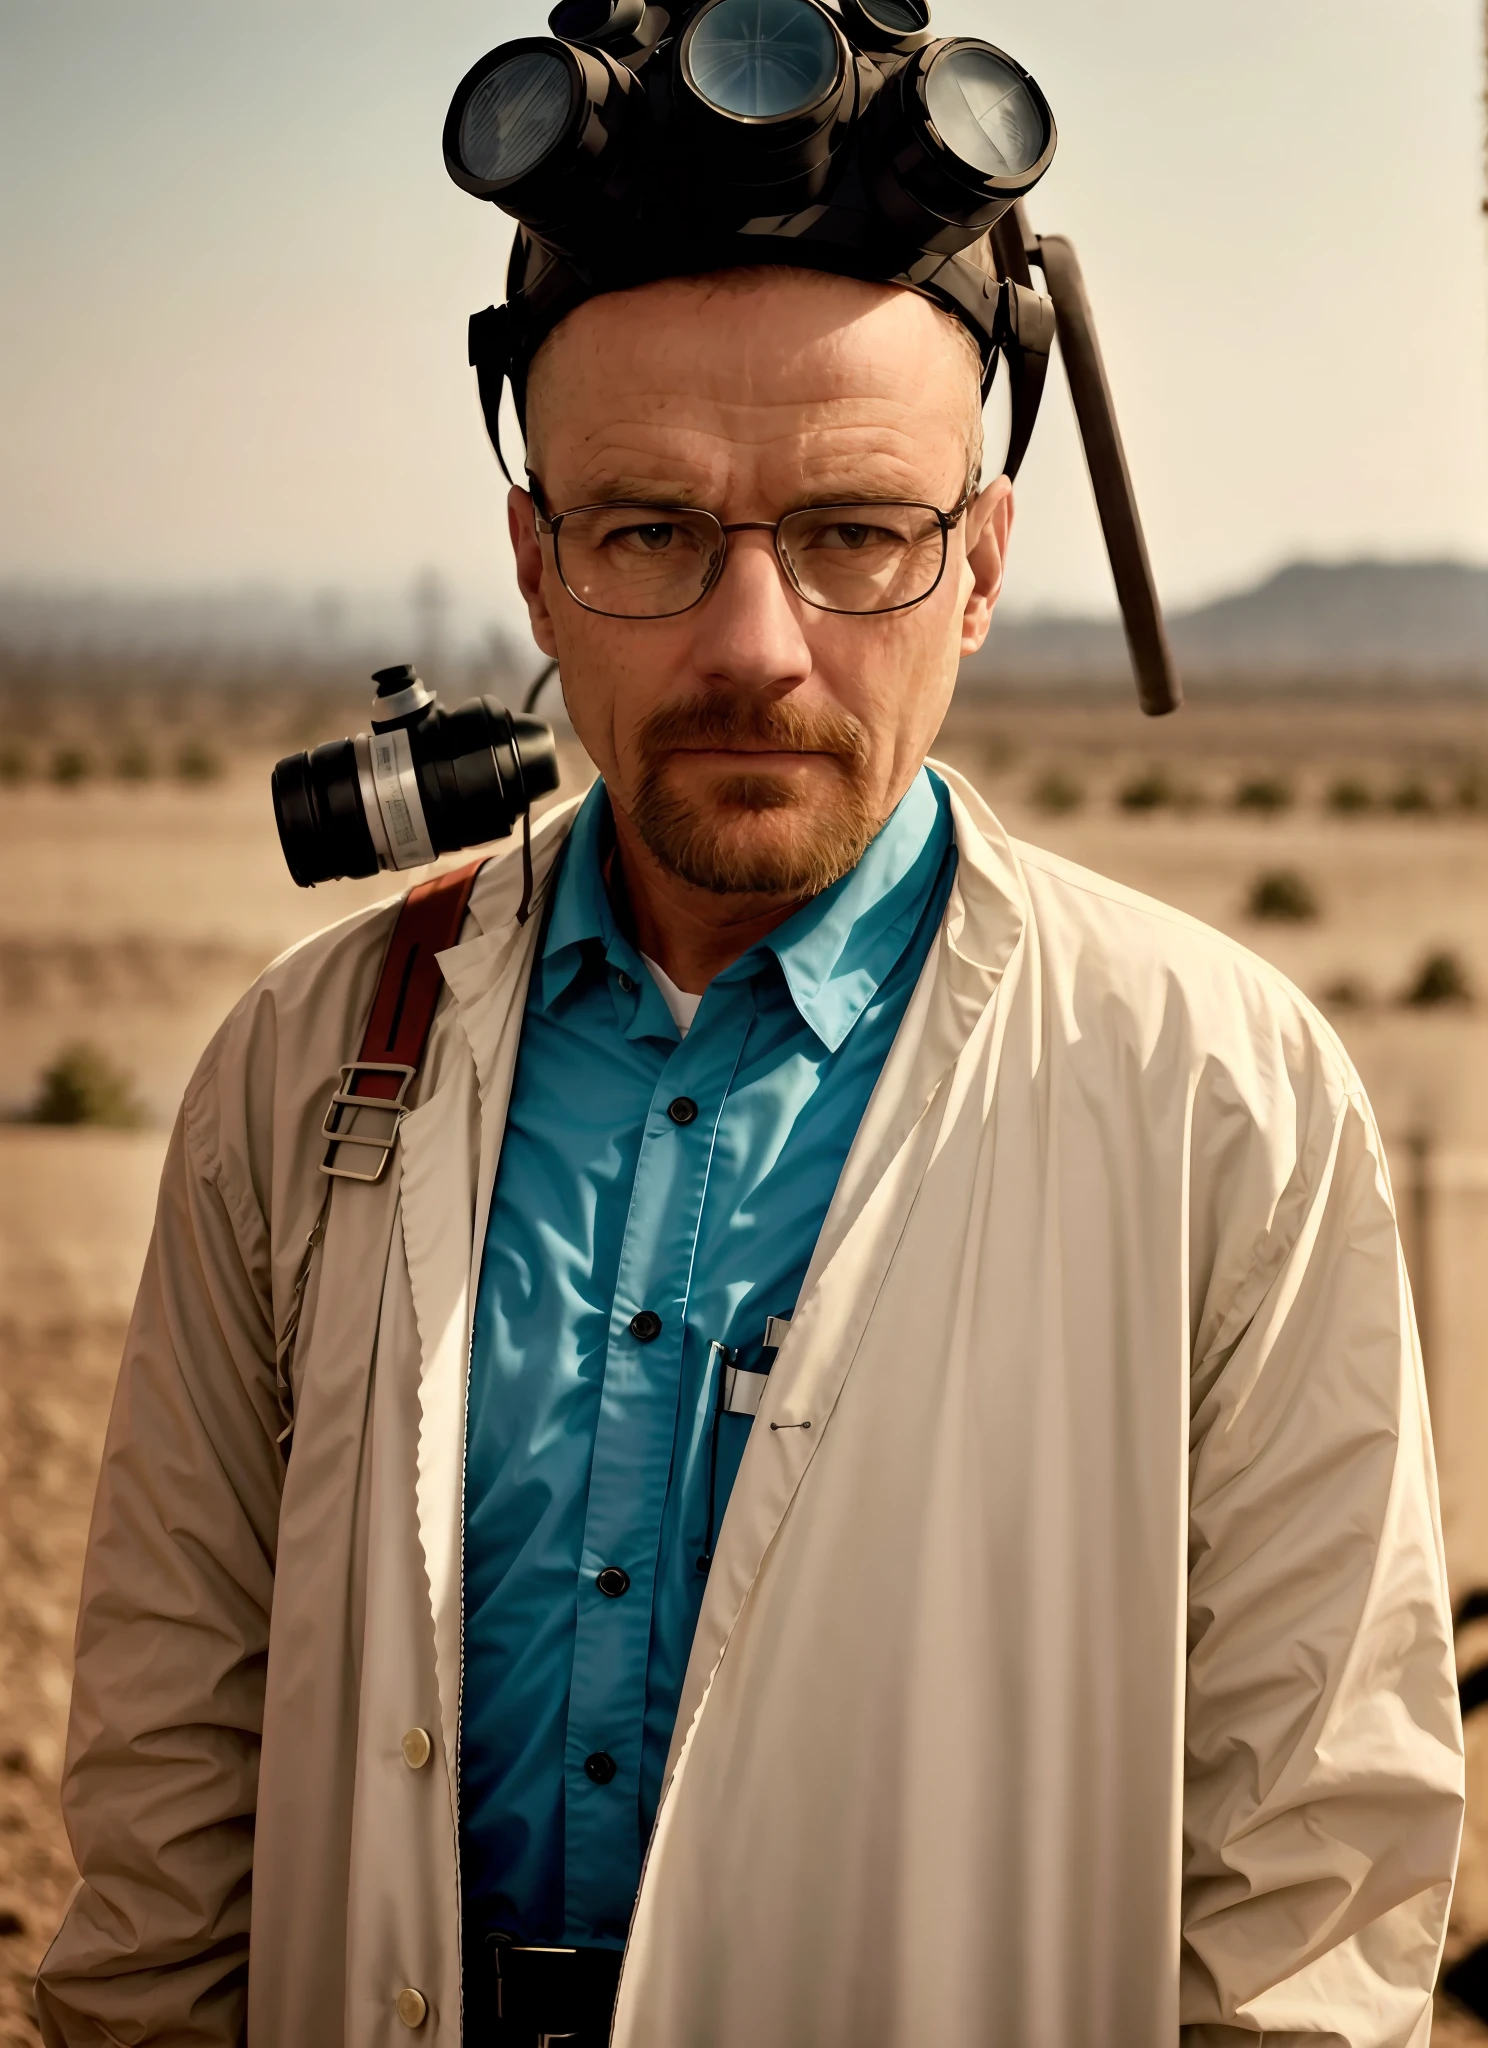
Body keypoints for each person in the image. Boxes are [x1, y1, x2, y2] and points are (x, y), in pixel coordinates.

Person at [39, 114, 1462, 2048]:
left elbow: (1309, 1885)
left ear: (981, 567)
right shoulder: (306, 1069)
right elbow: (164, 1815)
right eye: (649, 532)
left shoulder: (1222, 1093)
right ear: (535, 567)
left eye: (857, 535)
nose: (755, 645)